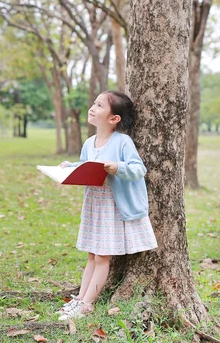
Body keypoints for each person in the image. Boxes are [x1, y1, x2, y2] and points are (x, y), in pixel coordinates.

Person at [56, 90, 157, 320]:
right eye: (94, 103)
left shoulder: (122, 141)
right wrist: (69, 167)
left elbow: (139, 169)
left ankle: (87, 304)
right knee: (92, 255)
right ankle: (80, 299)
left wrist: (117, 167)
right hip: (94, 206)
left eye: (99, 105)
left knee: (102, 257)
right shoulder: (89, 142)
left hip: (112, 207)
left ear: (114, 119)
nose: (92, 107)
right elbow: (86, 166)